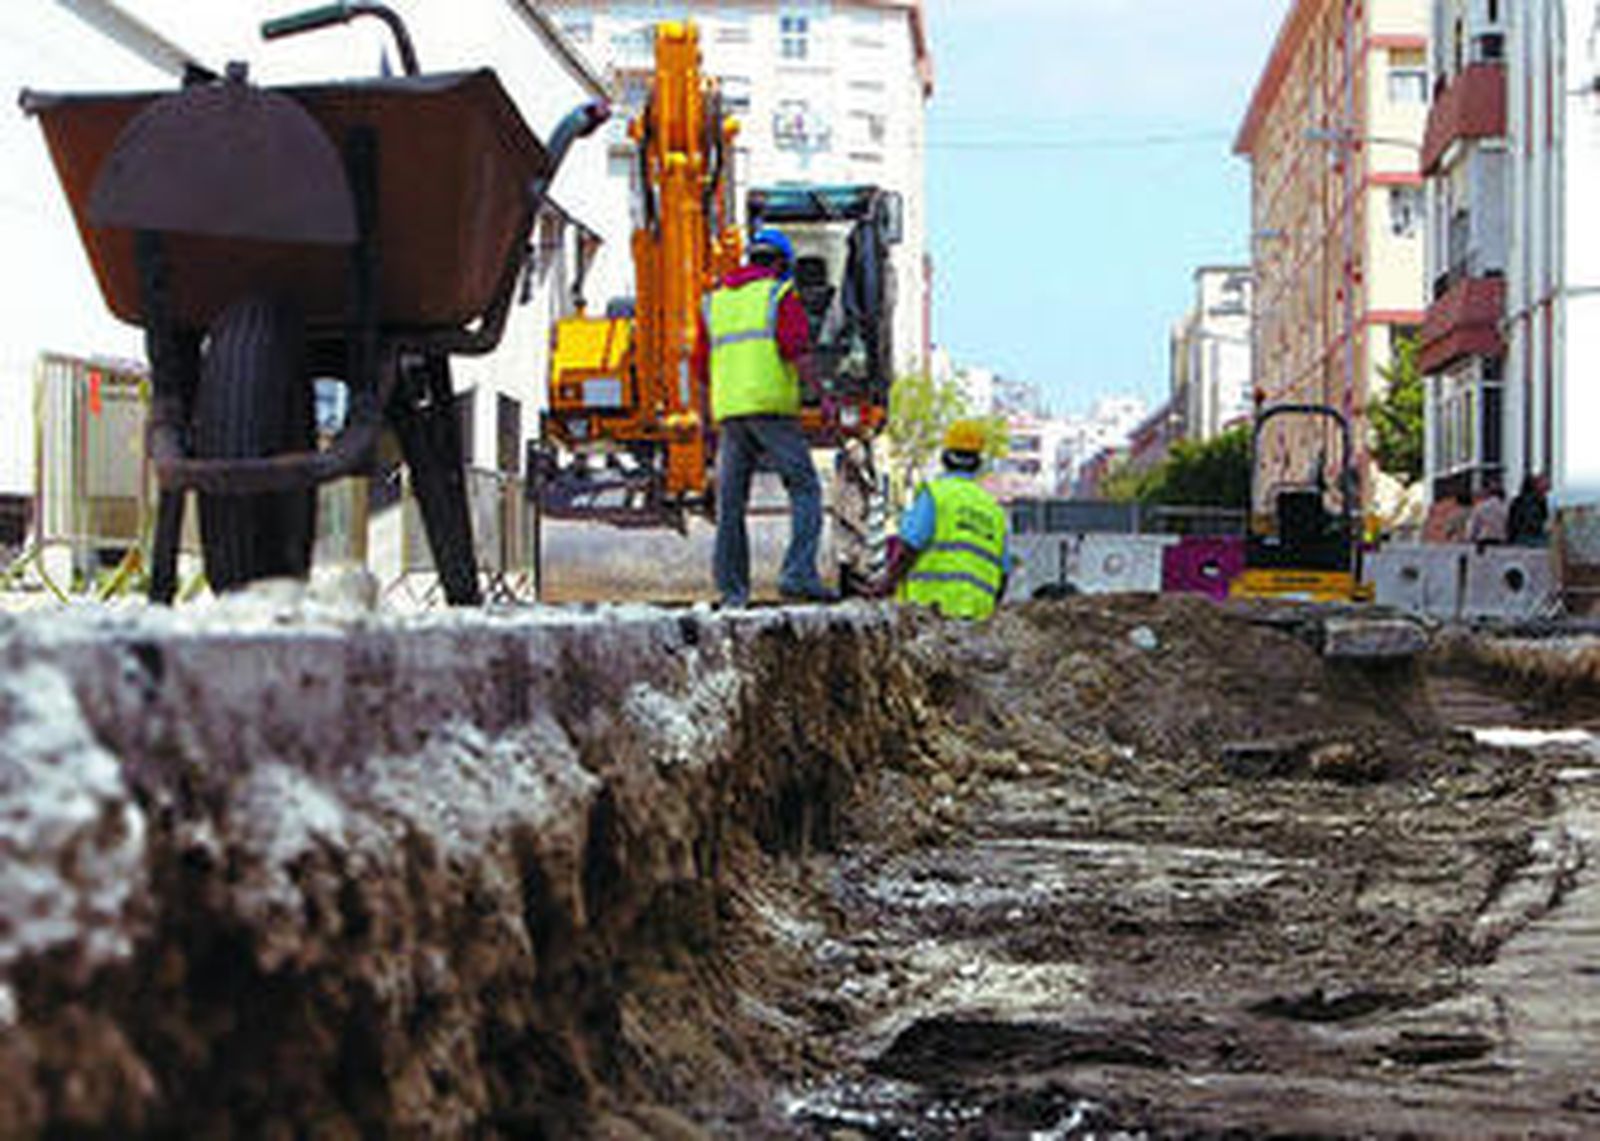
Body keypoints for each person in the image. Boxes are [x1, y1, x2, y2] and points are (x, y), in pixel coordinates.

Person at [693, 227, 834, 607]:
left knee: (730, 505)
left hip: (731, 414)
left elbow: (702, 370)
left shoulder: (715, 302)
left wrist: (706, 422)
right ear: (779, 263)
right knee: (805, 488)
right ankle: (798, 574)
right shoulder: (779, 294)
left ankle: (733, 593)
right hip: (771, 410)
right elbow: (797, 351)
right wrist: (822, 398)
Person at [878, 419, 1011, 619]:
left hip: (930, 614)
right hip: (978, 622)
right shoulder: (995, 512)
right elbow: (1003, 576)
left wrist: (886, 585)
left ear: (944, 457)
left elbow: (909, 548)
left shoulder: (935, 496)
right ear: (978, 463)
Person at [1465, 476, 1509, 548]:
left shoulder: (1480, 507)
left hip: (1484, 543)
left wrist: (1469, 538)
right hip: (1502, 543)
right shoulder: (1505, 507)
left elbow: (1471, 529)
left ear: (1486, 490)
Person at [1508, 473, 1550, 546]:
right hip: (1527, 537)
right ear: (1536, 485)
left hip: (1530, 536)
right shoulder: (1527, 501)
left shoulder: (1542, 502)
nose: (1547, 487)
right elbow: (1529, 523)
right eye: (1544, 485)